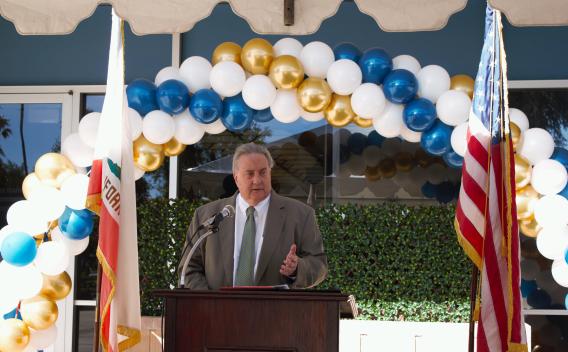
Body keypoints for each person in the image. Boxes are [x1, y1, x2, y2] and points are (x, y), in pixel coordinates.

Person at [178, 142, 328, 290]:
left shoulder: (301, 215)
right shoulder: (207, 215)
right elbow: (189, 269)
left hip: (275, 312)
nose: (257, 180)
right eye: (250, 174)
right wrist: (211, 304)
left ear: (270, 173)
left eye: (263, 172)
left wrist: (297, 268)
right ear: (236, 178)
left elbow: (319, 266)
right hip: (218, 312)